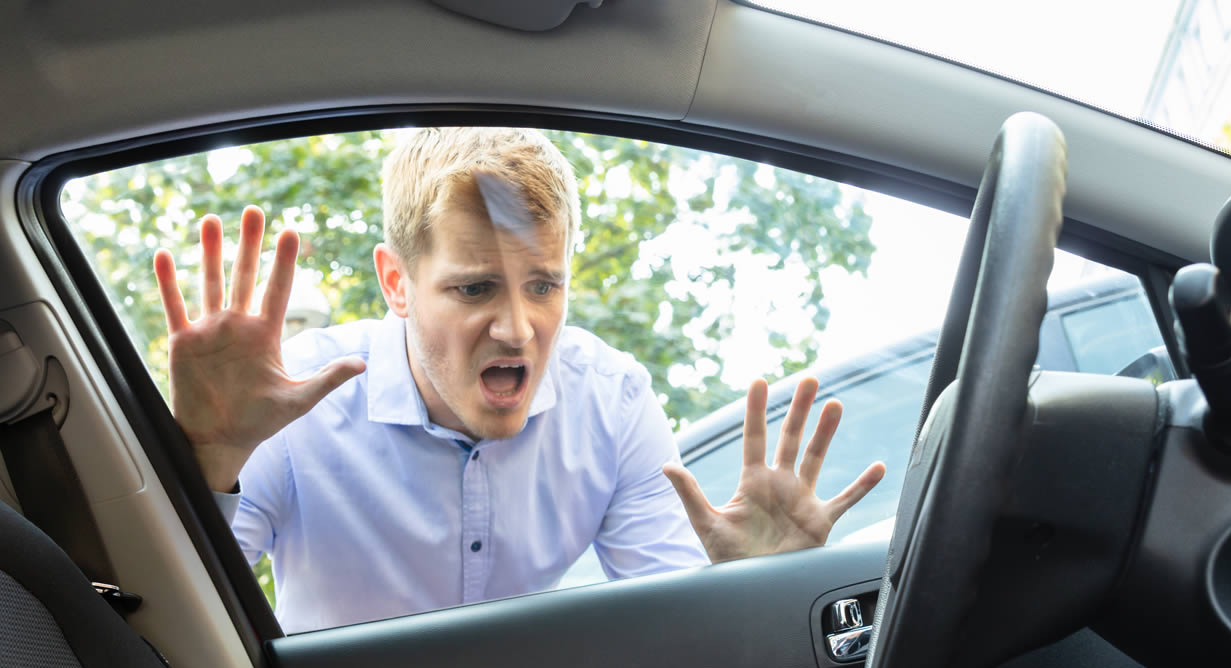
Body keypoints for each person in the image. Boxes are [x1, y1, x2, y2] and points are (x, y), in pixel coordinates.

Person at [149, 128, 887, 632]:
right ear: (397, 283)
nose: (517, 329)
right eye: (475, 290)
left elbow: (679, 627)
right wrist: (212, 461)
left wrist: (754, 591)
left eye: (543, 285)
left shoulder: (612, 401)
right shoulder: (293, 402)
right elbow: (181, 620)